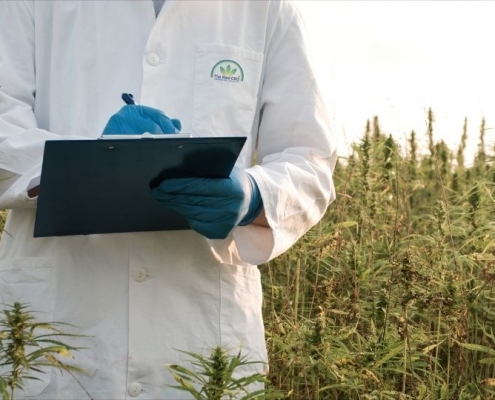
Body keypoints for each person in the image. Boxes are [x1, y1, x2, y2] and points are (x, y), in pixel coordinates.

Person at [0, 1, 337, 399]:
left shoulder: (267, 9)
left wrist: (252, 196)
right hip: (59, 326)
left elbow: (310, 162)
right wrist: (84, 161)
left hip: (200, 330)